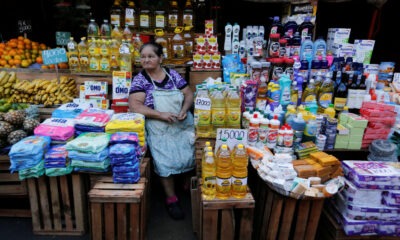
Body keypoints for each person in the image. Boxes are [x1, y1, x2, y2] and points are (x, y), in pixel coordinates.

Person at [129, 42, 195, 220]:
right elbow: (135, 106)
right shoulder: (140, 80)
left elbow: (189, 94)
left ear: (160, 58)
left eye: (150, 56)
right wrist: (160, 114)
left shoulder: (172, 75)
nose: (146, 60)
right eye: (143, 57)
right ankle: (171, 199)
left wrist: (184, 109)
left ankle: (185, 184)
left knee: (189, 155)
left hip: (180, 124)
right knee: (164, 163)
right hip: (159, 128)